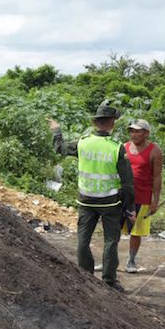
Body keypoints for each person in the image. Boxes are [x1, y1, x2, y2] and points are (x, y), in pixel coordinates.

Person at [50, 102, 136, 291]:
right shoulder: (116, 148)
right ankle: (109, 282)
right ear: (112, 123)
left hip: (86, 201)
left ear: (96, 123)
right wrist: (130, 208)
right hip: (110, 202)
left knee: (83, 240)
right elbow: (128, 183)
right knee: (110, 241)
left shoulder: (83, 142)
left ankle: (85, 277)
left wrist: (56, 130)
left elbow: (60, 149)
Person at [122, 118, 163, 273]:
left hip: (142, 196)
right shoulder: (124, 147)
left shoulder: (154, 150)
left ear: (146, 133)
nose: (134, 134)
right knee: (113, 228)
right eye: (132, 131)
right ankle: (109, 260)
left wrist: (155, 200)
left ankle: (131, 261)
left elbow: (157, 177)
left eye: (137, 131)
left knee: (136, 231)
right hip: (123, 196)